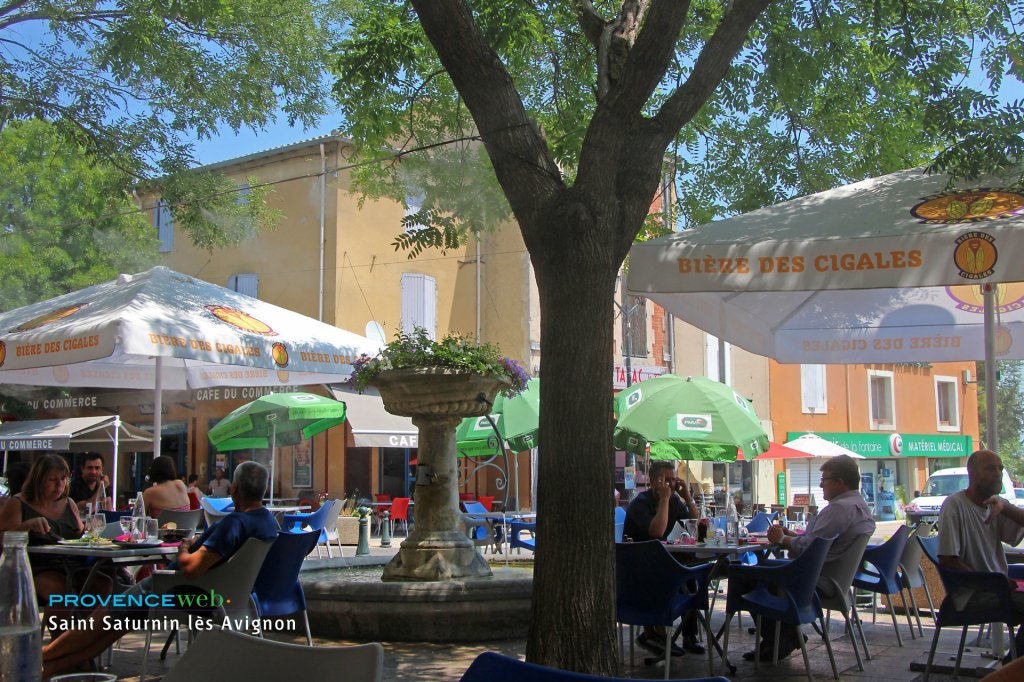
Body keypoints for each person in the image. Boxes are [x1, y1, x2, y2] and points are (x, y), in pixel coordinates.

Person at [41, 461, 279, 677]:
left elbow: (193, 567)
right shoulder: (267, 521)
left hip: (174, 590)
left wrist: (184, 547)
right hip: (222, 595)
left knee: (102, 621)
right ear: (263, 490)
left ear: (234, 488)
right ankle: (50, 667)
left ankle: (41, 657)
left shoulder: (234, 523)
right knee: (115, 626)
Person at [755, 454, 876, 661]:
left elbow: (809, 550)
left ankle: (781, 638)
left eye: (824, 480)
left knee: (752, 578)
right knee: (764, 571)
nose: (821, 486)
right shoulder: (859, 506)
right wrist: (791, 537)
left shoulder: (839, 509)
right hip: (836, 580)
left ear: (840, 482)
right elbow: (820, 543)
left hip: (818, 581)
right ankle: (784, 637)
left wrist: (782, 538)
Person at [937, 448, 1024, 657]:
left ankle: (1013, 666)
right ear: (973, 473)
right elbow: (948, 560)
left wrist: (1004, 506)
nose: (998, 473)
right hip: (971, 594)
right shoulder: (955, 505)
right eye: (990, 468)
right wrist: (994, 582)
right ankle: (1013, 670)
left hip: (997, 588)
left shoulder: (995, 504)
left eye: (1000, 468)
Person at [624, 460, 704, 657]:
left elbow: (697, 527)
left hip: (669, 560)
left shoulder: (676, 500)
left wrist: (687, 497)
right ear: (653, 481)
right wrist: (665, 500)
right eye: (665, 480)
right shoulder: (639, 504)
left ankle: (689, 636)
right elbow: (657, 531)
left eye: (672, 479)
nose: (670, 484)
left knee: (690, 575)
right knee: (665, 576)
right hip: (640, 567)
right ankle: (654, 635)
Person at [0, 454, 99, 612]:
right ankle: (64, 637)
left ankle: (90, 634)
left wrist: (92, 531)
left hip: (73, 566)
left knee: (104, 585)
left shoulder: (68, 503)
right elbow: (3, 540)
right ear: (38, 480)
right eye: (52, 479)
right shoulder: (18, 503)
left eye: (63, 478)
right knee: (62, 595)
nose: (59, 485)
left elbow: (83, 535)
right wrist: (26, 526)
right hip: (36, 568)